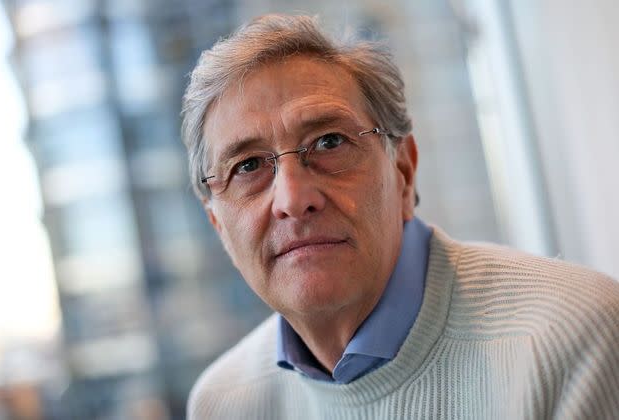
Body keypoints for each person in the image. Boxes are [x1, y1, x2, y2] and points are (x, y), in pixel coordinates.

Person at [181, 14, 619, 420]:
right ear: (218, 225)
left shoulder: (571, 338)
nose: (293, 199)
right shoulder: (223, 403)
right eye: (249, 167)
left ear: (404, 172)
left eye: (330, 142)